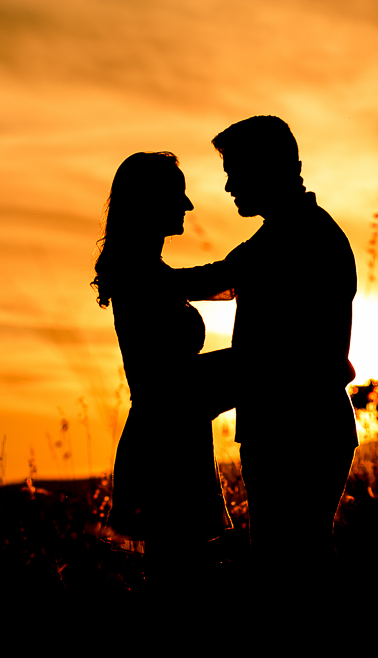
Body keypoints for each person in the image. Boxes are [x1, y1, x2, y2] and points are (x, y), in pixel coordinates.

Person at [167, 116, 358, 607]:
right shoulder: (285, 235)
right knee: (296, 563)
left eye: (236, 172)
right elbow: (222, 280)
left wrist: (137, 276)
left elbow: (277, 354)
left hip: (298, 429)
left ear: (269, 170)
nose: (229, 186)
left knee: (290, 570)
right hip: (297, 426)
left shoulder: (298, 238)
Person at [92, 151, 236, 602]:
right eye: (178, 194)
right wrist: (263, 363)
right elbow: (172, 382)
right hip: (163, 444)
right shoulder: (137, 274)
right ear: (149, 202)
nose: (188, 205)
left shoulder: (146, 272)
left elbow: (207, 282)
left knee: (180, 584)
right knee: (179, 589)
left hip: (174, 438)